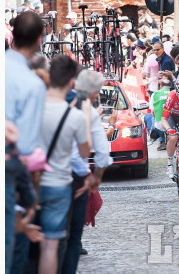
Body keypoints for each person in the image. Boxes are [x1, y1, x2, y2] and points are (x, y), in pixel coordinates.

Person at [36, 57, 93, 274]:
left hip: (33, 181)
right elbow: (85, 152)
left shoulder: (35, 106)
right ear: (72, 82)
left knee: (32, 245)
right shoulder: (76, 115)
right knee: (51, 245)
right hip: (58, 183)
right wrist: (86, 115)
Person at [5, 11, 48, 274]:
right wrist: (29, 196)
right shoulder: (32, 85)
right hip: (10, 174)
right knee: (12, 256)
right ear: (40, 39)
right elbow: (27, 147)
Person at [60, 69, 114, 274]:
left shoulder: (45, 103)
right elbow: (101, 150)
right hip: (76, 175)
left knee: (51, 233)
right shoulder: (86, 110)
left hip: (48, 175)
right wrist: (97, 178)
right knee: (74, 237)